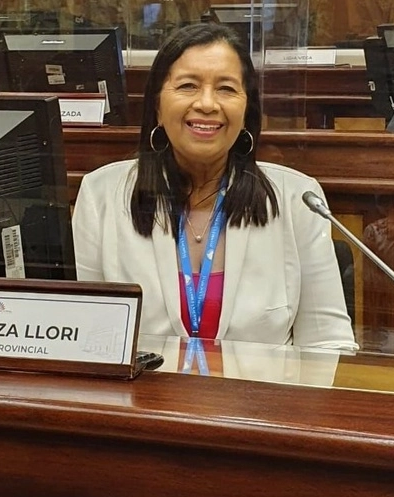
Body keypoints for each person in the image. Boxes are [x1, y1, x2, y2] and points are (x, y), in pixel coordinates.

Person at [72, 22, 357, 349]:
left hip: (260, 398)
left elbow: (328, 345)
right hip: (141, 399)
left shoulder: (297, 200)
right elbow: (87, 341)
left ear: (246, 107)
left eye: (226, 88)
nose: (207, 103)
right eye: (188, 86)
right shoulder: (101, 196)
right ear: (157, 107)